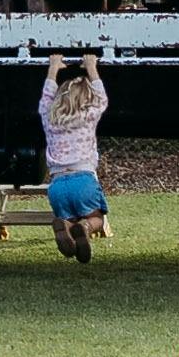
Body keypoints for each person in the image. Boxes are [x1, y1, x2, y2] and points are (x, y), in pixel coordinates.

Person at [38, 53, 111, 262]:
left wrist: (53, 67)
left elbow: (45, 99)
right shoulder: (88, 117)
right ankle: (85, 227)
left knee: (68, 217)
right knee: (96, 217)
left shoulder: (49, 120)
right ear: (86, 101)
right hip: (83, 180)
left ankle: (68, 226)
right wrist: (91, 66)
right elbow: (102, 97)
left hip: (57, 185)